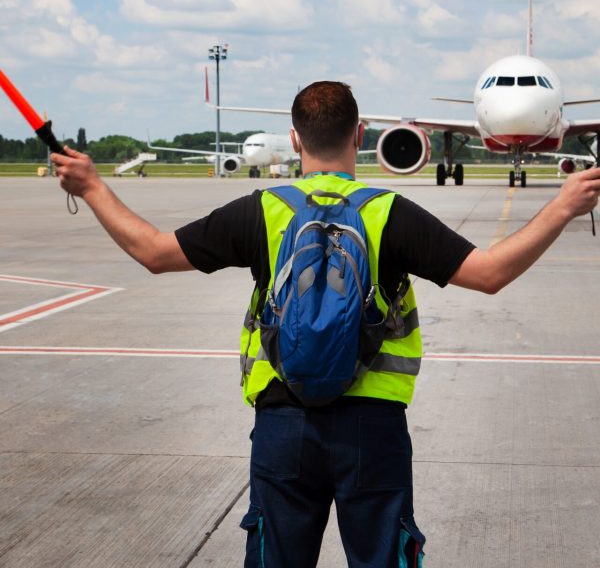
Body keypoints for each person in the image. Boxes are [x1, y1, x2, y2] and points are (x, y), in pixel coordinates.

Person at [51, 80, 600, 568]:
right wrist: (562, 206)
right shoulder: (390, 212)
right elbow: (490, 273)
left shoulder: (262, 209)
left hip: (283, 424)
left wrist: (94, 186)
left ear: (294, 139)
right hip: (373, 425)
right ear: (360, 134)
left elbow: (153, 251)